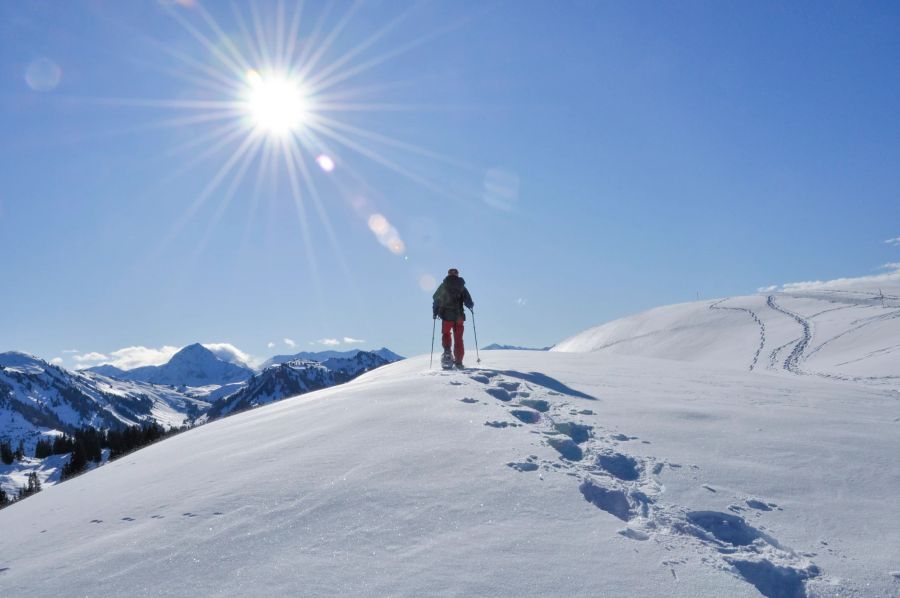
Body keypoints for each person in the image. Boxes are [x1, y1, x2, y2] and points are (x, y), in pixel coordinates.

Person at [433, 268, 475, 368]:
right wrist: (471, 306)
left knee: (446, 334)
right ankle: (459, 362)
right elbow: (469, 302)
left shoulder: (443, 286)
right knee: (459, 338)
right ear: (457, 274)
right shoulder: (462, 286)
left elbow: (436, 299)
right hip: (459, 317)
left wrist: (435, 313)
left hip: (447, 317)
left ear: (448, 274)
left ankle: (447, 355)